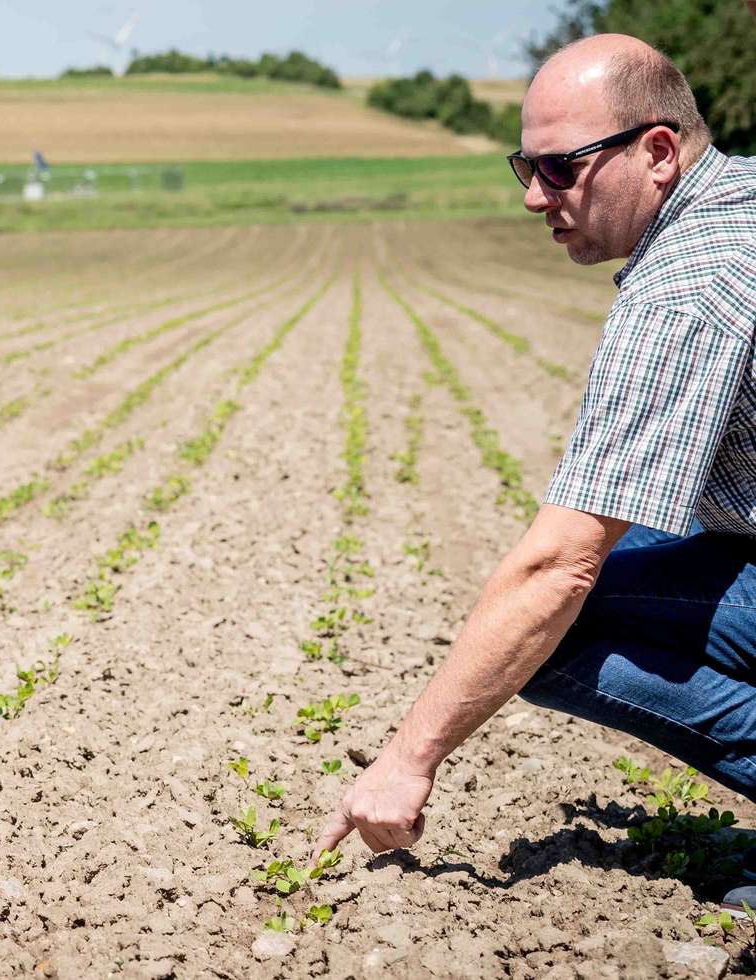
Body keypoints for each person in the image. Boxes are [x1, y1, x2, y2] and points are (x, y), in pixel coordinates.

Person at [320, 33, 756, 908]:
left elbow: (558, 565)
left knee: (548, 631)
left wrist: (408, 758)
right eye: (526, 165)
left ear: (658, 152)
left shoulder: (685, 290)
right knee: (625, 559)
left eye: (560, 168)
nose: (532, 195)